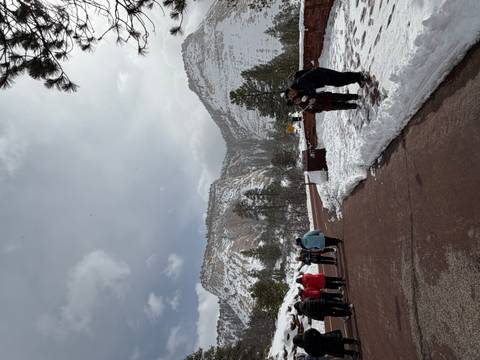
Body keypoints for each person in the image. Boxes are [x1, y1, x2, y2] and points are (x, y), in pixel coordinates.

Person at [285, 67, 368, 99]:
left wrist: (310, 96)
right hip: (321, 78)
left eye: (291, 93)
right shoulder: (298, 87)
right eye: (291, 96)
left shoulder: (299, 82)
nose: (293, 95)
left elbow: (309, 87)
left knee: (340, 78)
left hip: (321, 74)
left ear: (290, 89)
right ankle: (357, 78)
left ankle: (359, 75)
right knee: (339, 80)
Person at [293, 328, 360, 358]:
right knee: (339, 340)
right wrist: (319, 335)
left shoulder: (306, 349)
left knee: (341, 351)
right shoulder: (306, 334)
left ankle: (353, 353)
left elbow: (316, 355)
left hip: (326, 349)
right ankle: (353, 341)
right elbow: (312, 330)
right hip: (325, 339)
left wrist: (323, 352)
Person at [291, 92, 359, 113]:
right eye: (296, 102)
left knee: (341, 97)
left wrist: (310, 96)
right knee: (341, 106)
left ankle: (355, 96)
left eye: (296, 99)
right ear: (296, 104)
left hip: (326, 97)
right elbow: (314, 111)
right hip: (326, 106)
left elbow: (312, 91)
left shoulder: (304, 94)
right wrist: (316, 107)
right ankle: (354, 106)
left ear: (297, 97)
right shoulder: (304, 107)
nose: (297, 100)